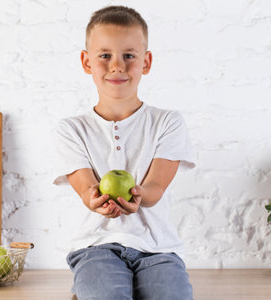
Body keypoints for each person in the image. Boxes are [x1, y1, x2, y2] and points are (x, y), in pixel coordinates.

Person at [53, 5, 195, 300]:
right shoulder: (71, 129)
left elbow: (155, 186)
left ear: (146, 62)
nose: (117, 65)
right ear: (86, 61)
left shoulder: (167, 122)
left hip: (158, 249)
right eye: (105, 55)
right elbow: (86, 188)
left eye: (128, 55)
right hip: (96, 247)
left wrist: (140, 195)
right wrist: (95, 199)